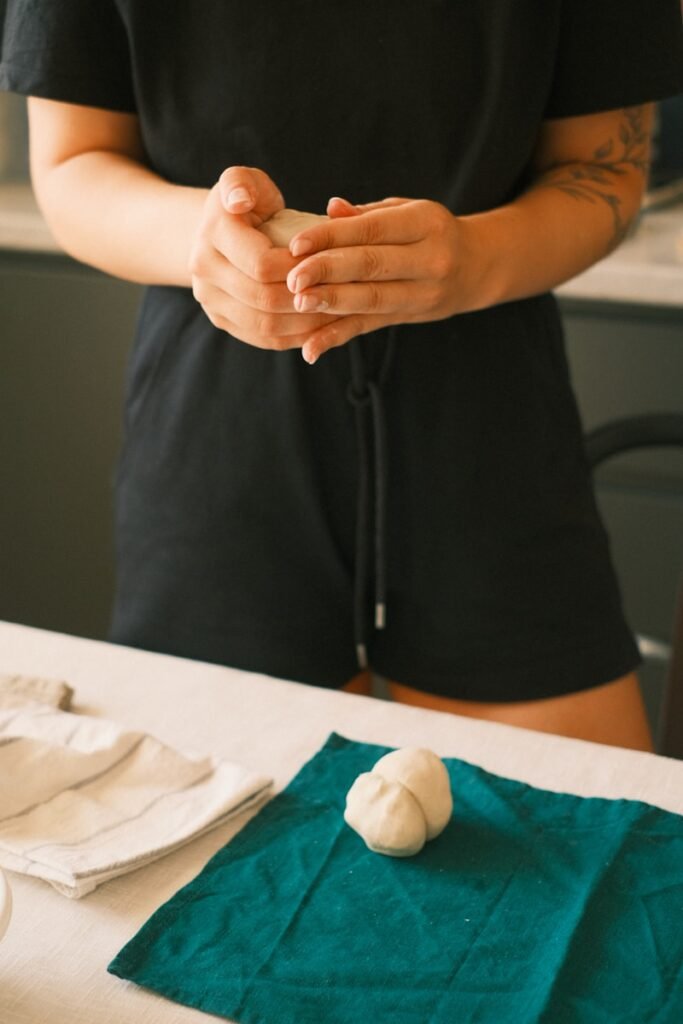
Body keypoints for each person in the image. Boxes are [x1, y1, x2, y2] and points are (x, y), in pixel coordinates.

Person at [1, 1, 682, 752]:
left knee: (588, 817)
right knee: (223, 821)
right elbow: (71, 161)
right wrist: (205, 242)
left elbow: (603, 165)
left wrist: (472, 260)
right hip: (218, 443)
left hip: (494, 433)